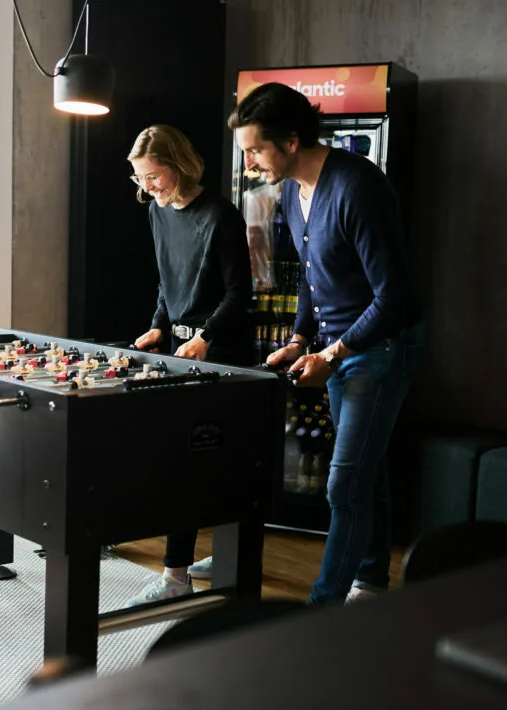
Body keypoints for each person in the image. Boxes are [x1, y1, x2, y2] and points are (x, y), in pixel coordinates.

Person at [229, 82, 425, 605]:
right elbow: (312, 278)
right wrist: (298, 339)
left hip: (382, 348)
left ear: (291, 141)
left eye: (255, 149)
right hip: (337, 349)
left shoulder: (359, 187)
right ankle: (372, 582)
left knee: (344, 484)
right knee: (367, 473)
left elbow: (397, 297)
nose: (249, 163)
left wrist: (333, 352)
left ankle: (322, 609)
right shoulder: (294, 191)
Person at [125, 125, 254, 606]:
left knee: (202, 461)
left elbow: (241, 293)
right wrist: (159, 325)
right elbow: (166, 279)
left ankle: (176, 576)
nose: (148, 188)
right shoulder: (158, 213)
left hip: (224, 353)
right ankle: (208, 560)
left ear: (179, 167)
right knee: (195, 461)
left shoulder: (220, 215)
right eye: (140, 179)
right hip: (183, 350)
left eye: (154, 176)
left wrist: (206, 337)